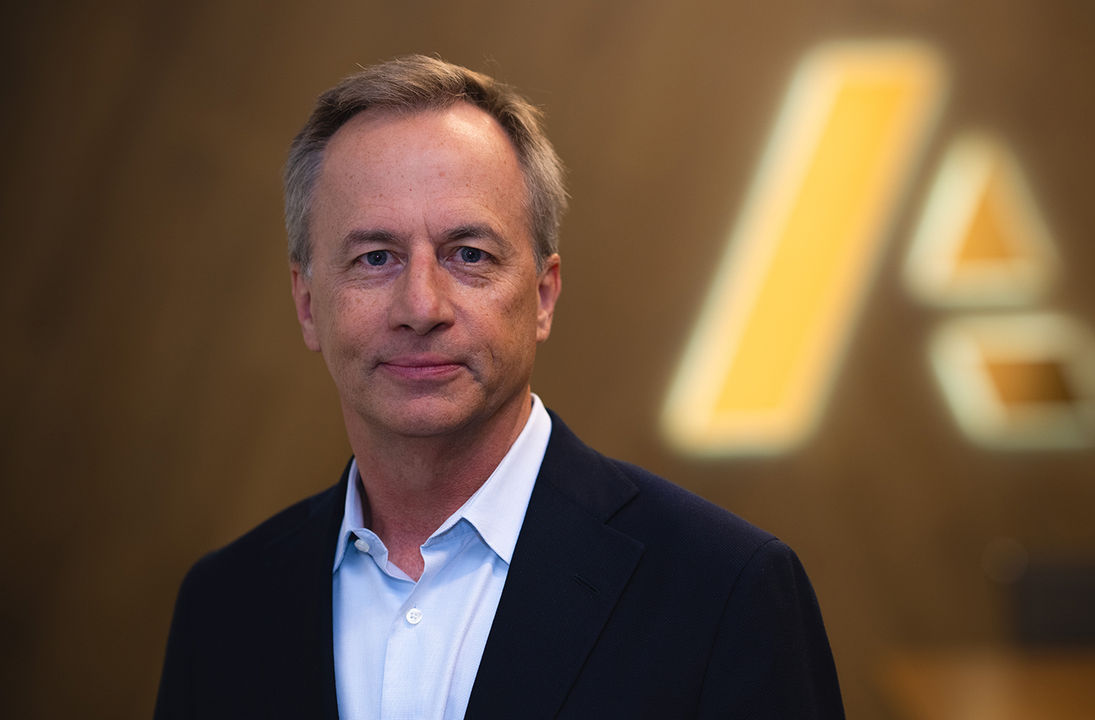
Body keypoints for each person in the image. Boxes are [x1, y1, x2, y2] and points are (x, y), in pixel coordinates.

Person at [155, 55, 845, 720]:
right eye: (374, 258)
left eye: (468, 255)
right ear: (308, 304)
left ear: (544, 296)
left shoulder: (725, 591)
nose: (421, 306)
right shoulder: (225, 606)